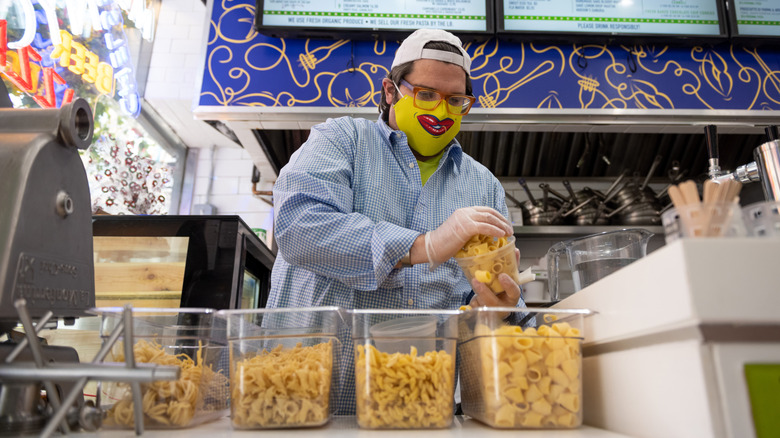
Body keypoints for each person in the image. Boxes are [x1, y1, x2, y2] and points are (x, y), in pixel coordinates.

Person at [268, 28, 525, 414]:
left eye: (456, 101)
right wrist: (424, 246)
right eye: (425, 95)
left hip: (416, 408)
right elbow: (298, 227)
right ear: (390, 92)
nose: (441, 111)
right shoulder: (341, 140)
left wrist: (495, 311)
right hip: (303, 400)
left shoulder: (483, 186)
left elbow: (480, 311)